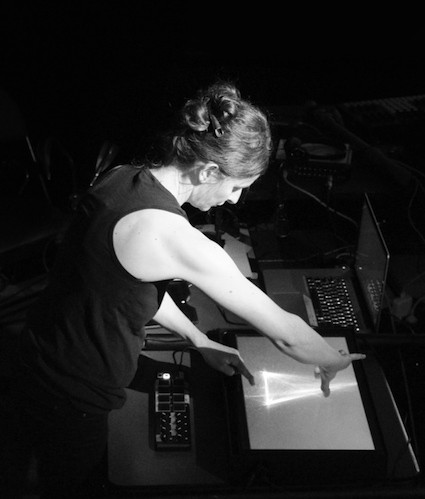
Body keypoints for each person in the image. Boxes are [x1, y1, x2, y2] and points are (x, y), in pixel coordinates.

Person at [0, 80, 365, 498]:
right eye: (236, 187)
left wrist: (197, 338)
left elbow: (128, 286)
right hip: (73, 394)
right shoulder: (173, 237)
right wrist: (331, 359)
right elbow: (285, 332)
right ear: (208, 171)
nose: (235, 201)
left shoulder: (121, 177)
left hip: (37, 354)